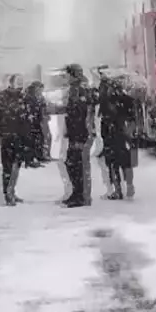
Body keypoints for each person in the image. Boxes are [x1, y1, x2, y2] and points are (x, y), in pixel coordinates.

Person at [0, 75, 28, 206]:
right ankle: (7, 194)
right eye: (18, 82)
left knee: (17, 165)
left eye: (22, 82)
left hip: (20, 137)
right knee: (8, 167)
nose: (21, 85)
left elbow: (27, 117)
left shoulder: (23, 97)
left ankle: (12, 191)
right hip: (7, 136)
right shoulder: (1, 97)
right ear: (11, 83)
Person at [61, 63, 97, 208]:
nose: (66, 77)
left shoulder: (79, 89)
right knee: (72, 164)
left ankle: (81, 196)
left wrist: (81, 133)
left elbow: (82, 113)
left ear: (73, 75)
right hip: (76, 132)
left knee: (77, 165)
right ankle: (77, 194)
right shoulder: (77, 88)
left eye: (67, 74)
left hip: (80, 132)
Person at [97, 76, 138, 200]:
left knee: (112, 164)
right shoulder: (128, 100)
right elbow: (133, 119)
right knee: (127, 163)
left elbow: (102, 118)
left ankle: (118, 190)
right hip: (124, 135)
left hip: (111, 135)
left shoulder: (106, 101)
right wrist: (130, 133)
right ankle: (130, 186)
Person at [23, 80, 52, 167]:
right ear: (35, 88)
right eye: (40, 89)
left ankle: (39, 156)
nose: (41, 91)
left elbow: (42, 108)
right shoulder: (29, 97)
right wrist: (31, 118)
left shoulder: (39, 97)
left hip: (38, 121)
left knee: (39, 139)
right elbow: (28, 109)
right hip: (30, 122)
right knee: (31, 141)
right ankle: (29, 160)